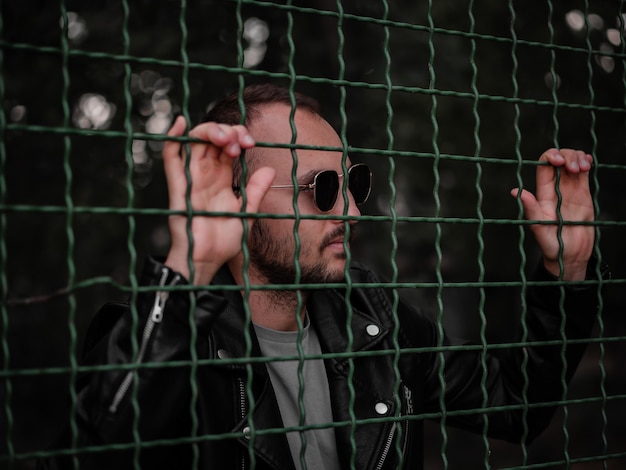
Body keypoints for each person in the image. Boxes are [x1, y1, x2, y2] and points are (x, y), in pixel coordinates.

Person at [41, 83, 608, 470]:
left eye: (353, 184)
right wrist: (189, 267)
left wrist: (568, 267)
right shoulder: (157, 339)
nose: (353, 213)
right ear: (239, 199)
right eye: (323, 191)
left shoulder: (371, 319)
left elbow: (516, 402)